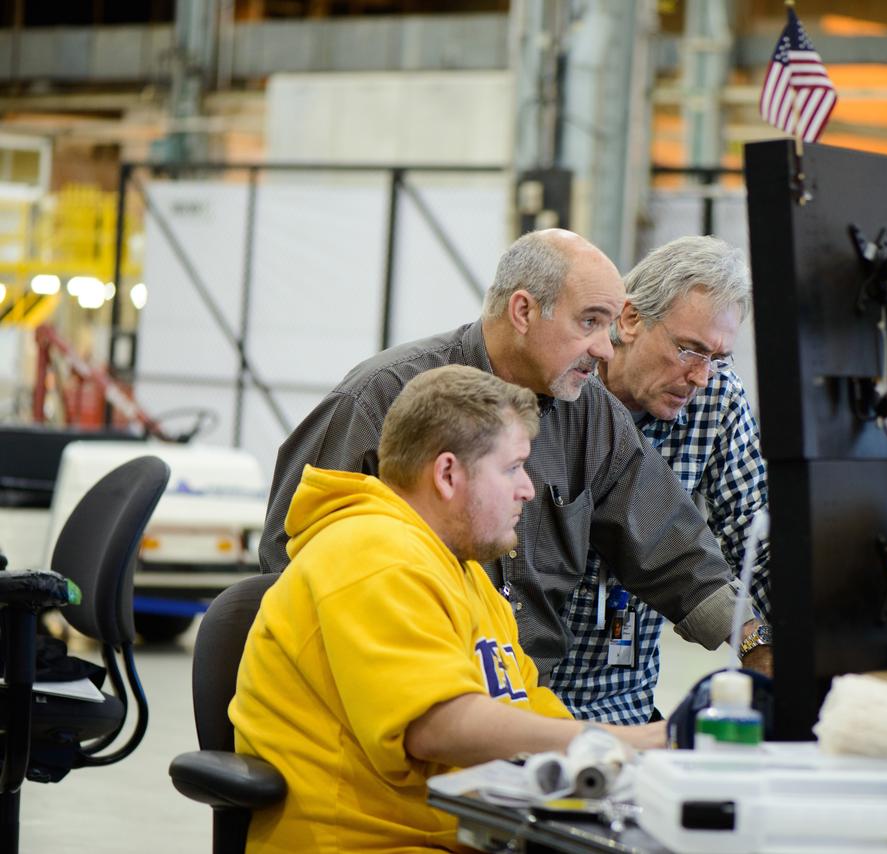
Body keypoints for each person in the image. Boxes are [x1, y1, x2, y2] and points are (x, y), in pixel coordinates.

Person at [258, 228, 768, 682]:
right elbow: (292, 559)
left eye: (607, 326)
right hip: (399, 686)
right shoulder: (381, 397)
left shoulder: (588, 412)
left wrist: (754, 642)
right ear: (523, 311)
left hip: (521, 696)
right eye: (590, 322)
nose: (605, 349)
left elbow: (669, 541)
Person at [231, 365, 665, 853]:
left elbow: (526, 704)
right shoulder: (372, 555)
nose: (527, 489)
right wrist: (626, 742)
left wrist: (635, 751)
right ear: (447, 473)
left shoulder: (462, 573)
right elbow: (439, 727)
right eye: (512, 468)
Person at [548, 236, 771, 723]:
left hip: (624, 705)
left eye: (718, 357)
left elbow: (755, 534)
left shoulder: (716, 400)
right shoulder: (560, 384)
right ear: (629, 320)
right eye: (690, 350)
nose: (701, 377)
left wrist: (779, 647)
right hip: (527, 702)